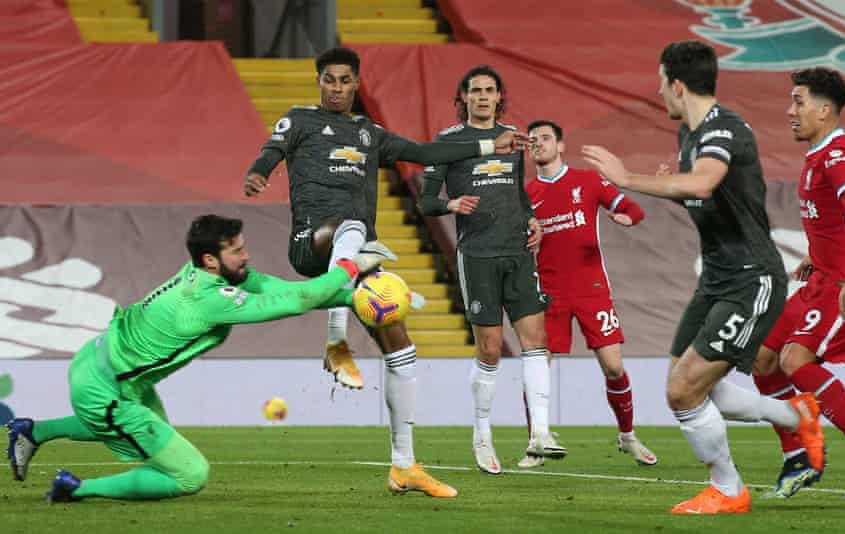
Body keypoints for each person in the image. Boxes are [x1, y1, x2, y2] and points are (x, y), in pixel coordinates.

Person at [243, 48, 527, 495]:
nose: (336, 88)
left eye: (344, 81)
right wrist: (259, 173)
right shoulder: (299, 120)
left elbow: (426, 150)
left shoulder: (369, 134)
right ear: (319, 81)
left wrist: (490, 144)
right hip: (312, 244)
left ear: (356, 84)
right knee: (354, 228)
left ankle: (404, 465)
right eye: (329, 80)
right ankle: (336, 336)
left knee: (402, 348)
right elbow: (271, 150)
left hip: (359, 258)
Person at [582, 40, 824, 514]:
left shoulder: (723, 129)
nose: (658, 91)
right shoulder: (690, 135)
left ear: (677, 84)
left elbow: (704, 182)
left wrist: (627, 178)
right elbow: (707, 195)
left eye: (660, 82)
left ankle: (730, 490)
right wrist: (675, 189)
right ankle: (795, 415)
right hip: (717, 276)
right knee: (692, 384)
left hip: (751, 277)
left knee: (681, 391)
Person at [6, 214, 398, 503]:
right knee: (187, 474)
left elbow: (289, 291)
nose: (246, 256)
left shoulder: (206, 275)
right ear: (211, 260)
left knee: (138, 435)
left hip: (103, 366)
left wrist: (354, 297)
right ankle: (74, 489)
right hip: (105, 387)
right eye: (237, 251)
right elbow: (297, 301)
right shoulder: (208, 300)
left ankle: (33, 430)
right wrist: (350, 266)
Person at [419, 65, 564, 475]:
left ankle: (540, 432)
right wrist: (450, 205)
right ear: (463, 97)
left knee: (536, 341)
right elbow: (426, 200)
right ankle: (482, 432)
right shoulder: (448, 142)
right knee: (490, 348)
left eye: (490, 91)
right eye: (475, 91)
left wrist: (531, 218)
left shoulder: (514, 138)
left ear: (500, 97)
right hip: (478, 254)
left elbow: (518, 192)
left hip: (518, 252)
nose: (483, 97)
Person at [751, 67, 845, 500]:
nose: (790, 110)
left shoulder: (838, 156)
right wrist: (817, 255)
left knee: (795, 360)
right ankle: (799, 455)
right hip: (824, 278)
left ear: (824, 110)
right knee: (763, 359)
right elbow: (834, 221)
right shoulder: (818, 156)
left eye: (799, 101)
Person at [518, 119, 656, 469]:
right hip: (548, 292)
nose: (539, 145)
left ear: (561, 145)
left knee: (613, 366)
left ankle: (627, 437)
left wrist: (628, 218)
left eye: (546, 138)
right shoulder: (526, 195)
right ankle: (536, 442)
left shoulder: (588, 181)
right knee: (539, 367)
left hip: (592, 289)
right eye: (532, 141)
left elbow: (632, 209)